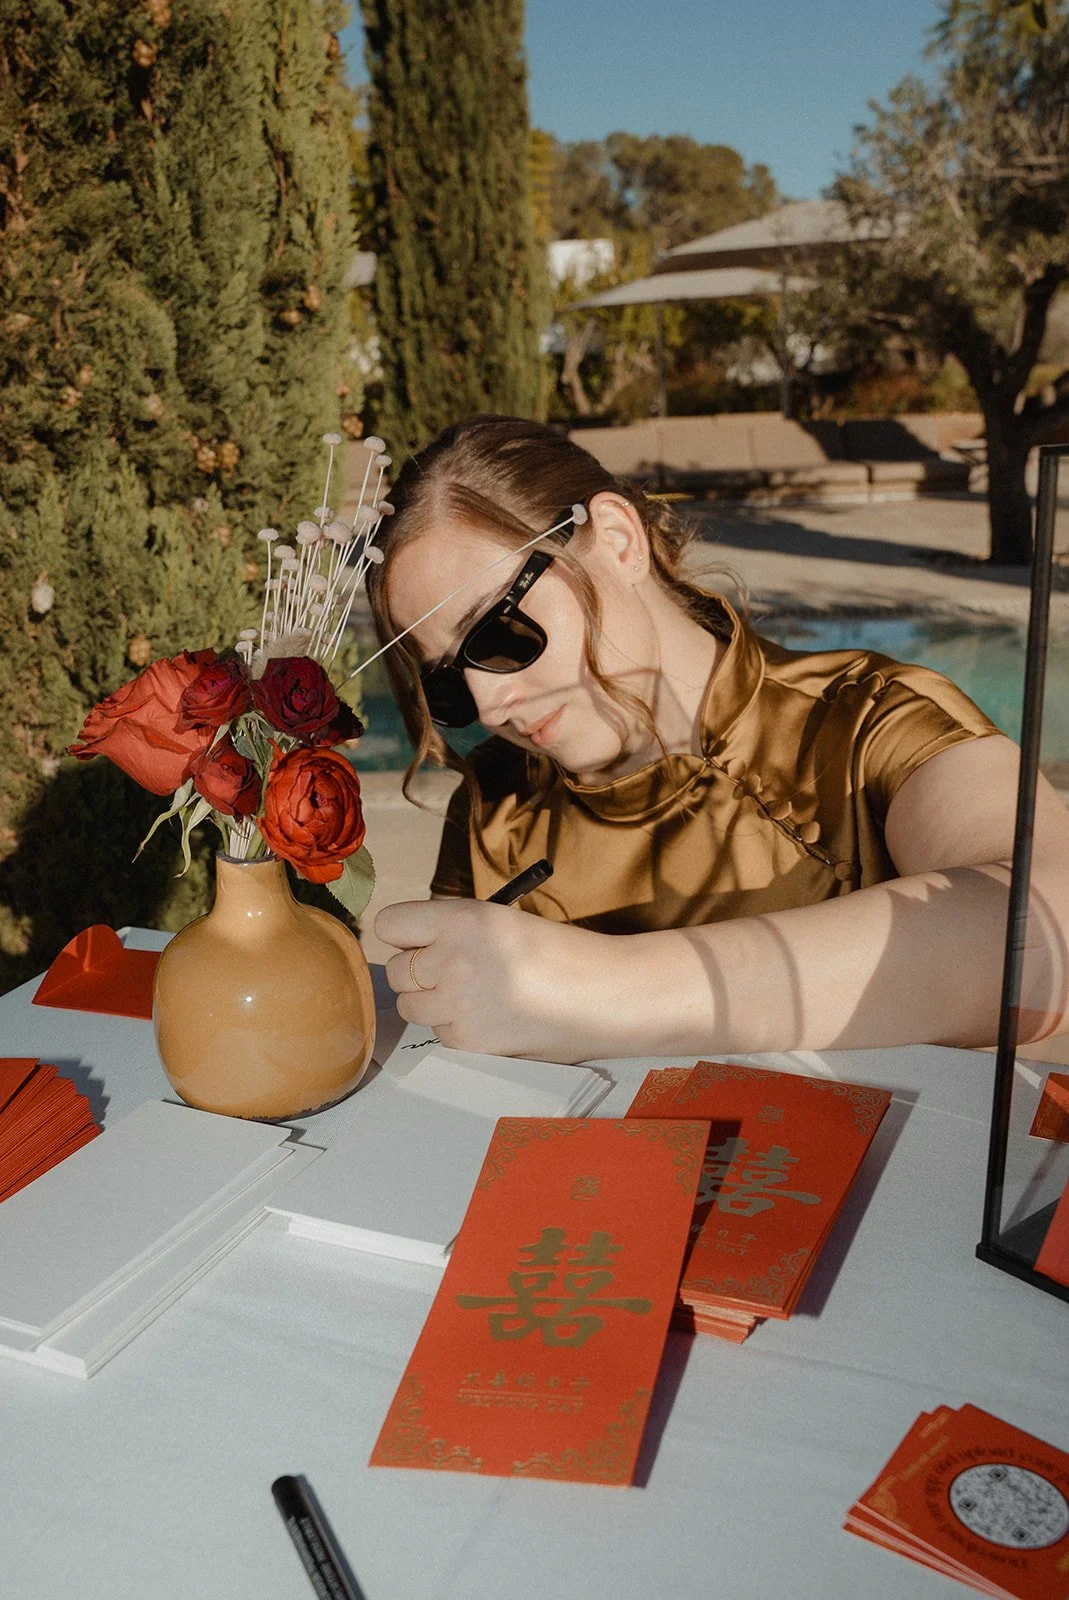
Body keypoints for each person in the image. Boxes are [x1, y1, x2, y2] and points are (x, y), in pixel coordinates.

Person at [366, 415, 1069, 1063]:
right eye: (447, 680)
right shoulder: (495, 806)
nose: (489, 703)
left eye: (498, 633)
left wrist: (607, 989)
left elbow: (1046, 927)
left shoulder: (865, 721)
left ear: (618, 540)